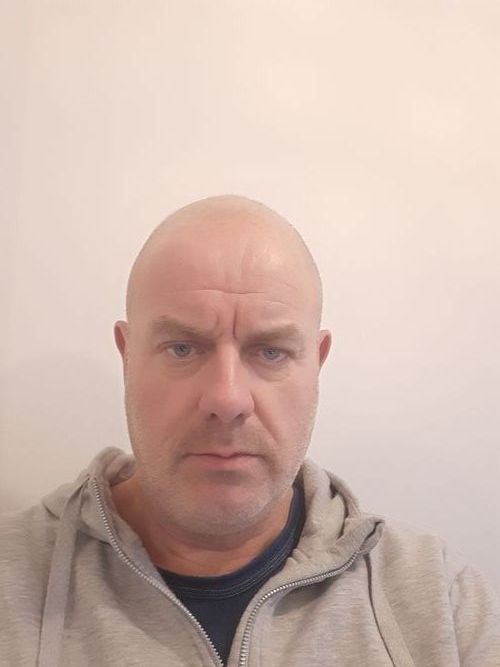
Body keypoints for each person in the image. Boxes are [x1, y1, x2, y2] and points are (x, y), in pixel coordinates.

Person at [1, 195, 499, 667]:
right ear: (127, 356)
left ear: (317, 363)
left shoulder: (443, 605)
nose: (227, 399)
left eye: (271, 352)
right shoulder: (12, 581)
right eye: (182, 348)